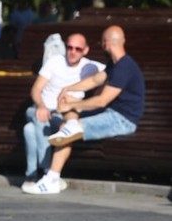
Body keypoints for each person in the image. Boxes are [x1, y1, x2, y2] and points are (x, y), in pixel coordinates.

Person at [23, 26, 145, 194]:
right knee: (68, 118)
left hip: (122, 120)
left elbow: (102, 101)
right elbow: (95, 80)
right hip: (111, 114)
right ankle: (71, 128)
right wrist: (68, 89)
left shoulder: (124, 67)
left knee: (65, 129)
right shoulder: (115, 65)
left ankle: (51, 179)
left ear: (105, 43)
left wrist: (72, 104)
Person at [21, 33, 104, 190]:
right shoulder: (55, 62)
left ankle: (31, 176)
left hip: (62, 115)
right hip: (40, 109)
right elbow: (36, 89)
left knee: (29, 129)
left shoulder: (91, 67)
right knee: (40, 118)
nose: (72, 52)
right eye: (69, 47)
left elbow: (113, 73)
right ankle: (48, 173)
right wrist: (41, 105)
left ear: (85, 50)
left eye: (78, 49)